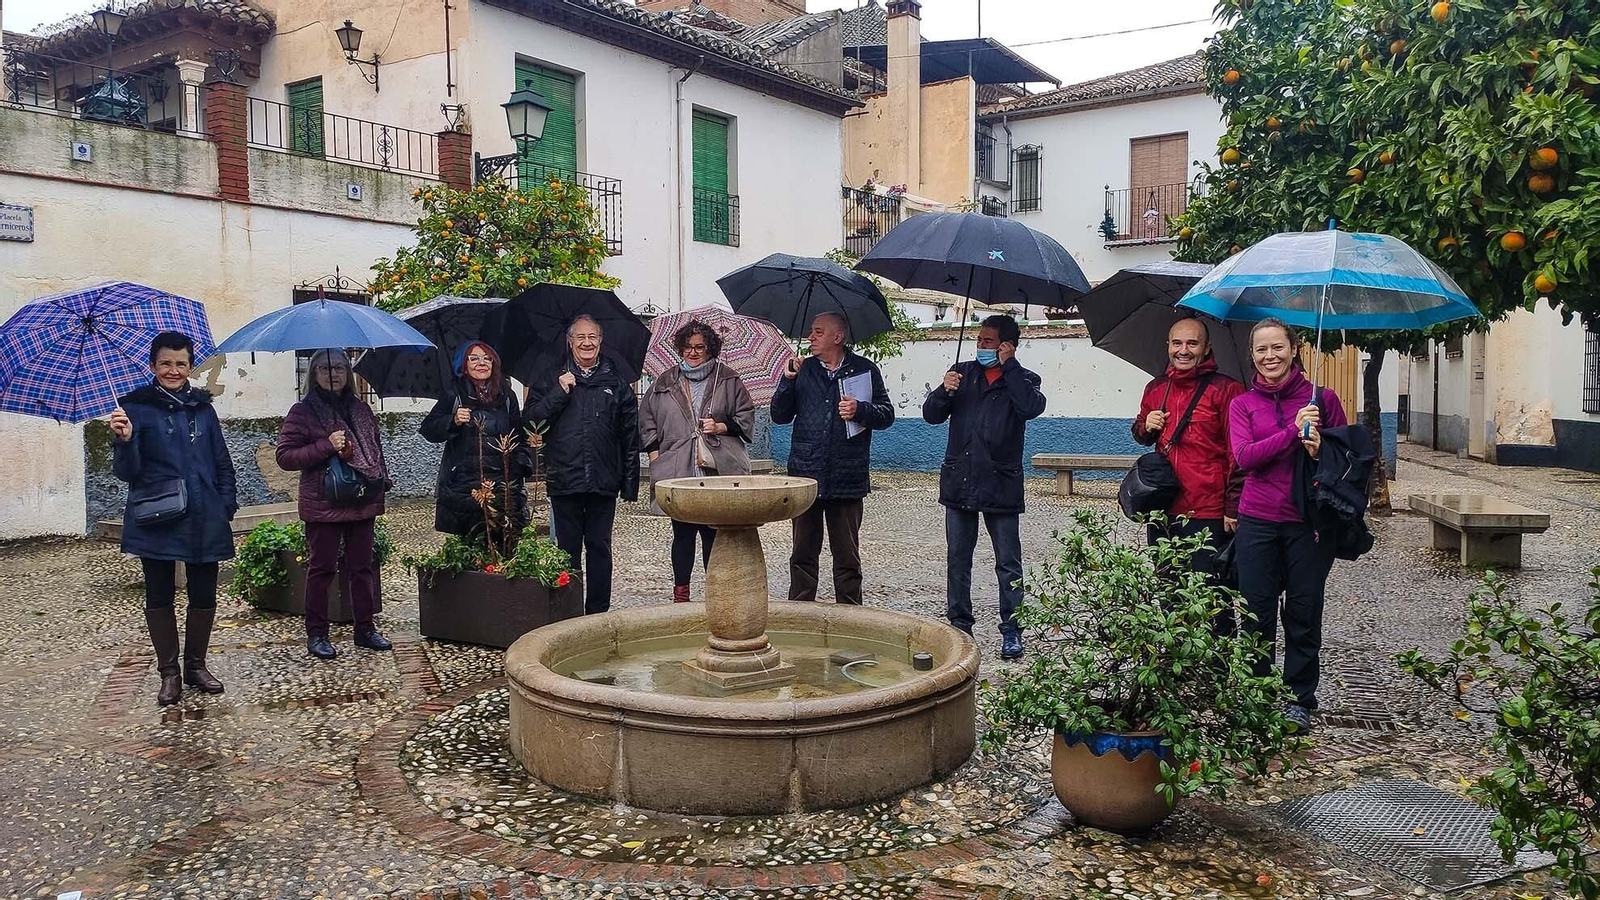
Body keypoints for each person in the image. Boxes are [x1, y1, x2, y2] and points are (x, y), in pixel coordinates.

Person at [1229, 317, 1347, 734]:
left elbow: (1345, 462)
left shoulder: (1324, 400)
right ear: (1252, 356)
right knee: (1255, 612)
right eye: (1261, 349)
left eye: (1277, 347)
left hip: (1308, 523)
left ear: (1295, 349)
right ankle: (1258, 693)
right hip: (1258, 520)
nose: (1269, 356)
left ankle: (1299, 697)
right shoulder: (1242, 405)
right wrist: (1291, 432)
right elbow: (1245, 457)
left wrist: (1318, 451)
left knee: (1302, 610)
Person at [109, 331, 238, 706]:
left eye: (181, 363)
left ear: (189, 366)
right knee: (159, 593)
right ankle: (169, 674)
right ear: (152, 365)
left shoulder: (203, 408)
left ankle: (196, 666)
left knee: (204, 593)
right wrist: (125, 439)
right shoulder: (134, 408)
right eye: (166, 363)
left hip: (205, 515)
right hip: (158, 516)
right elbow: (127, 473)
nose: (173, 370)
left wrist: (225, 504)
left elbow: (221, 461)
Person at [921, 315, 1045, 659]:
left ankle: (1012, 630)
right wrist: (943, 391)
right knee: (958, 559)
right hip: (960, 480)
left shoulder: (1022, 378)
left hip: (1000, 484)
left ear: (1007, 345)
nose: (981, 346)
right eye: (979, 339)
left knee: (1008, 562)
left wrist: (1010, 367)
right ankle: (960, 625)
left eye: (989, 341)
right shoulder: (962, 373)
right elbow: (931, 415)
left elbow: (1031, 407)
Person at [770, 311, 895, 605]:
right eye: (811, 332)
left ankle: (850, 617)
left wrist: (861, 409)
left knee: (847, 556)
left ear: (837, 337)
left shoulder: (864, 370)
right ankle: (800, 613)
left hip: (847, 477)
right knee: (802, 554)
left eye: (818, 332)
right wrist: (787, 380)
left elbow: (887, 415)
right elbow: (779, 415)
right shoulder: (803, 369)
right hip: (806, 475)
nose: (811, 337)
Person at [276, 349, 393, 660]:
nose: (334, 373)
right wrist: (325, 445)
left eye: (340, 367)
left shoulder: (361, 409)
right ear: (313, 373)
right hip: (324, 502)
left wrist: (381, 481)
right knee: (322, 569)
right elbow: (285, 457)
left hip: (361, 498)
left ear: (349, 374)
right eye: (326, 367)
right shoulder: (303, 412)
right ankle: (317, 633)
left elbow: (375, 452)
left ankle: (365, 629)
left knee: (362, 568)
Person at [526, 315, 640, 615]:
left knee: (600, 547)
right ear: (570, 341)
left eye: (592, 337)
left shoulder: (616, 384)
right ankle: (570, 610)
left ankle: (598, 613)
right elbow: (532, 420)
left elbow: (630, 436)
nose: (587, 343)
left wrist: (629, 483)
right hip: (565, 477)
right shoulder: (552, 377)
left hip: (604, 480)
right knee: (567, 549)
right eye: (580, 337)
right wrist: (559, 392)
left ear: (600, 341)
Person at [638, 319, 755, 603]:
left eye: (699, 347)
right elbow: (647, 419)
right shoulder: (665, 381)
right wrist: (656, 456)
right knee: (682, 532)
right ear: (680, 348)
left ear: (710, 348)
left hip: (716, 467)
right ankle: (681, 593)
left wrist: (720, 426)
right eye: (688, 347)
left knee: (712, 533)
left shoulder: (727, 379)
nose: (693, 352)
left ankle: (715, 593)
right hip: (677, 466)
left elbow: (746, 417)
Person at [1131, 318, 1246, 584]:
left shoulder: (1227, 390)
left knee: (1210, 594)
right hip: (1162, 507)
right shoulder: (1156, 388)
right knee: (1168, 589)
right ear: (1168, 346)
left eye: (1192, 343)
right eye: (1177, 343)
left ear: (1206, 348)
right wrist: (1146, 426)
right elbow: (1142, 436)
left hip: (1208, 510)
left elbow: (1236, 454)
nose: (1184, 350)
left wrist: (1233, 507)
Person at [420, 342, 531, 552]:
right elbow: (428, 429)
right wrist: (452, 420)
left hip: (502, 486)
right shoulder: (454, 394)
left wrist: (521, 468)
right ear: (464, 365)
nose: (481, 363)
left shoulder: (507, 396)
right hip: (466, 488)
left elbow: (519, 437)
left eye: (487, 358)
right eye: (474, 358)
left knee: (506, 551)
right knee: (472, 554)